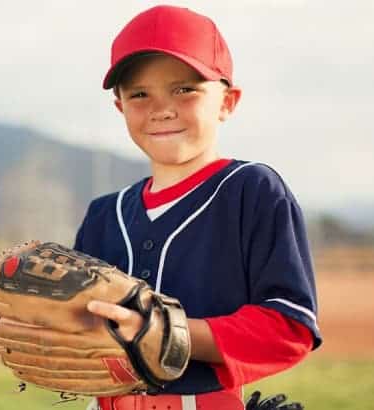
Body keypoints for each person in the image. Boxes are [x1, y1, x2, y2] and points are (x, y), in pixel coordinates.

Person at [73, 5, 322, 410]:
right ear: (120, 107)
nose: (161, 108)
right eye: (139, 94)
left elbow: (289, 328)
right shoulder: (104, 215)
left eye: (185, 88)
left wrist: (170, 333)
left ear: (227, 101)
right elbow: (79, 332)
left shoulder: (251, 191)